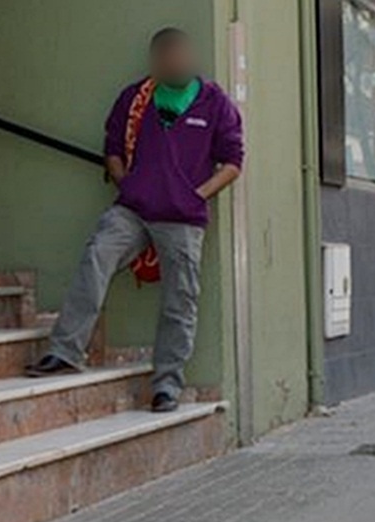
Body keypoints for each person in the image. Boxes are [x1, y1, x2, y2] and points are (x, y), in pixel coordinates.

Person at [25, 28, 242, 413]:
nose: (175, 63)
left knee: (181, 298)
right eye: (167, 57)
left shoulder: (214, 102)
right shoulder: (135, 99)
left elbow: (233, 162)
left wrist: (197, 194)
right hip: (134, 210)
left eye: (181, 56)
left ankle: (167, 386)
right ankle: (65, 351)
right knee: (96, 258)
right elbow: (112, 149)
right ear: (157, 60)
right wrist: (131, 186)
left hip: (183, 217)